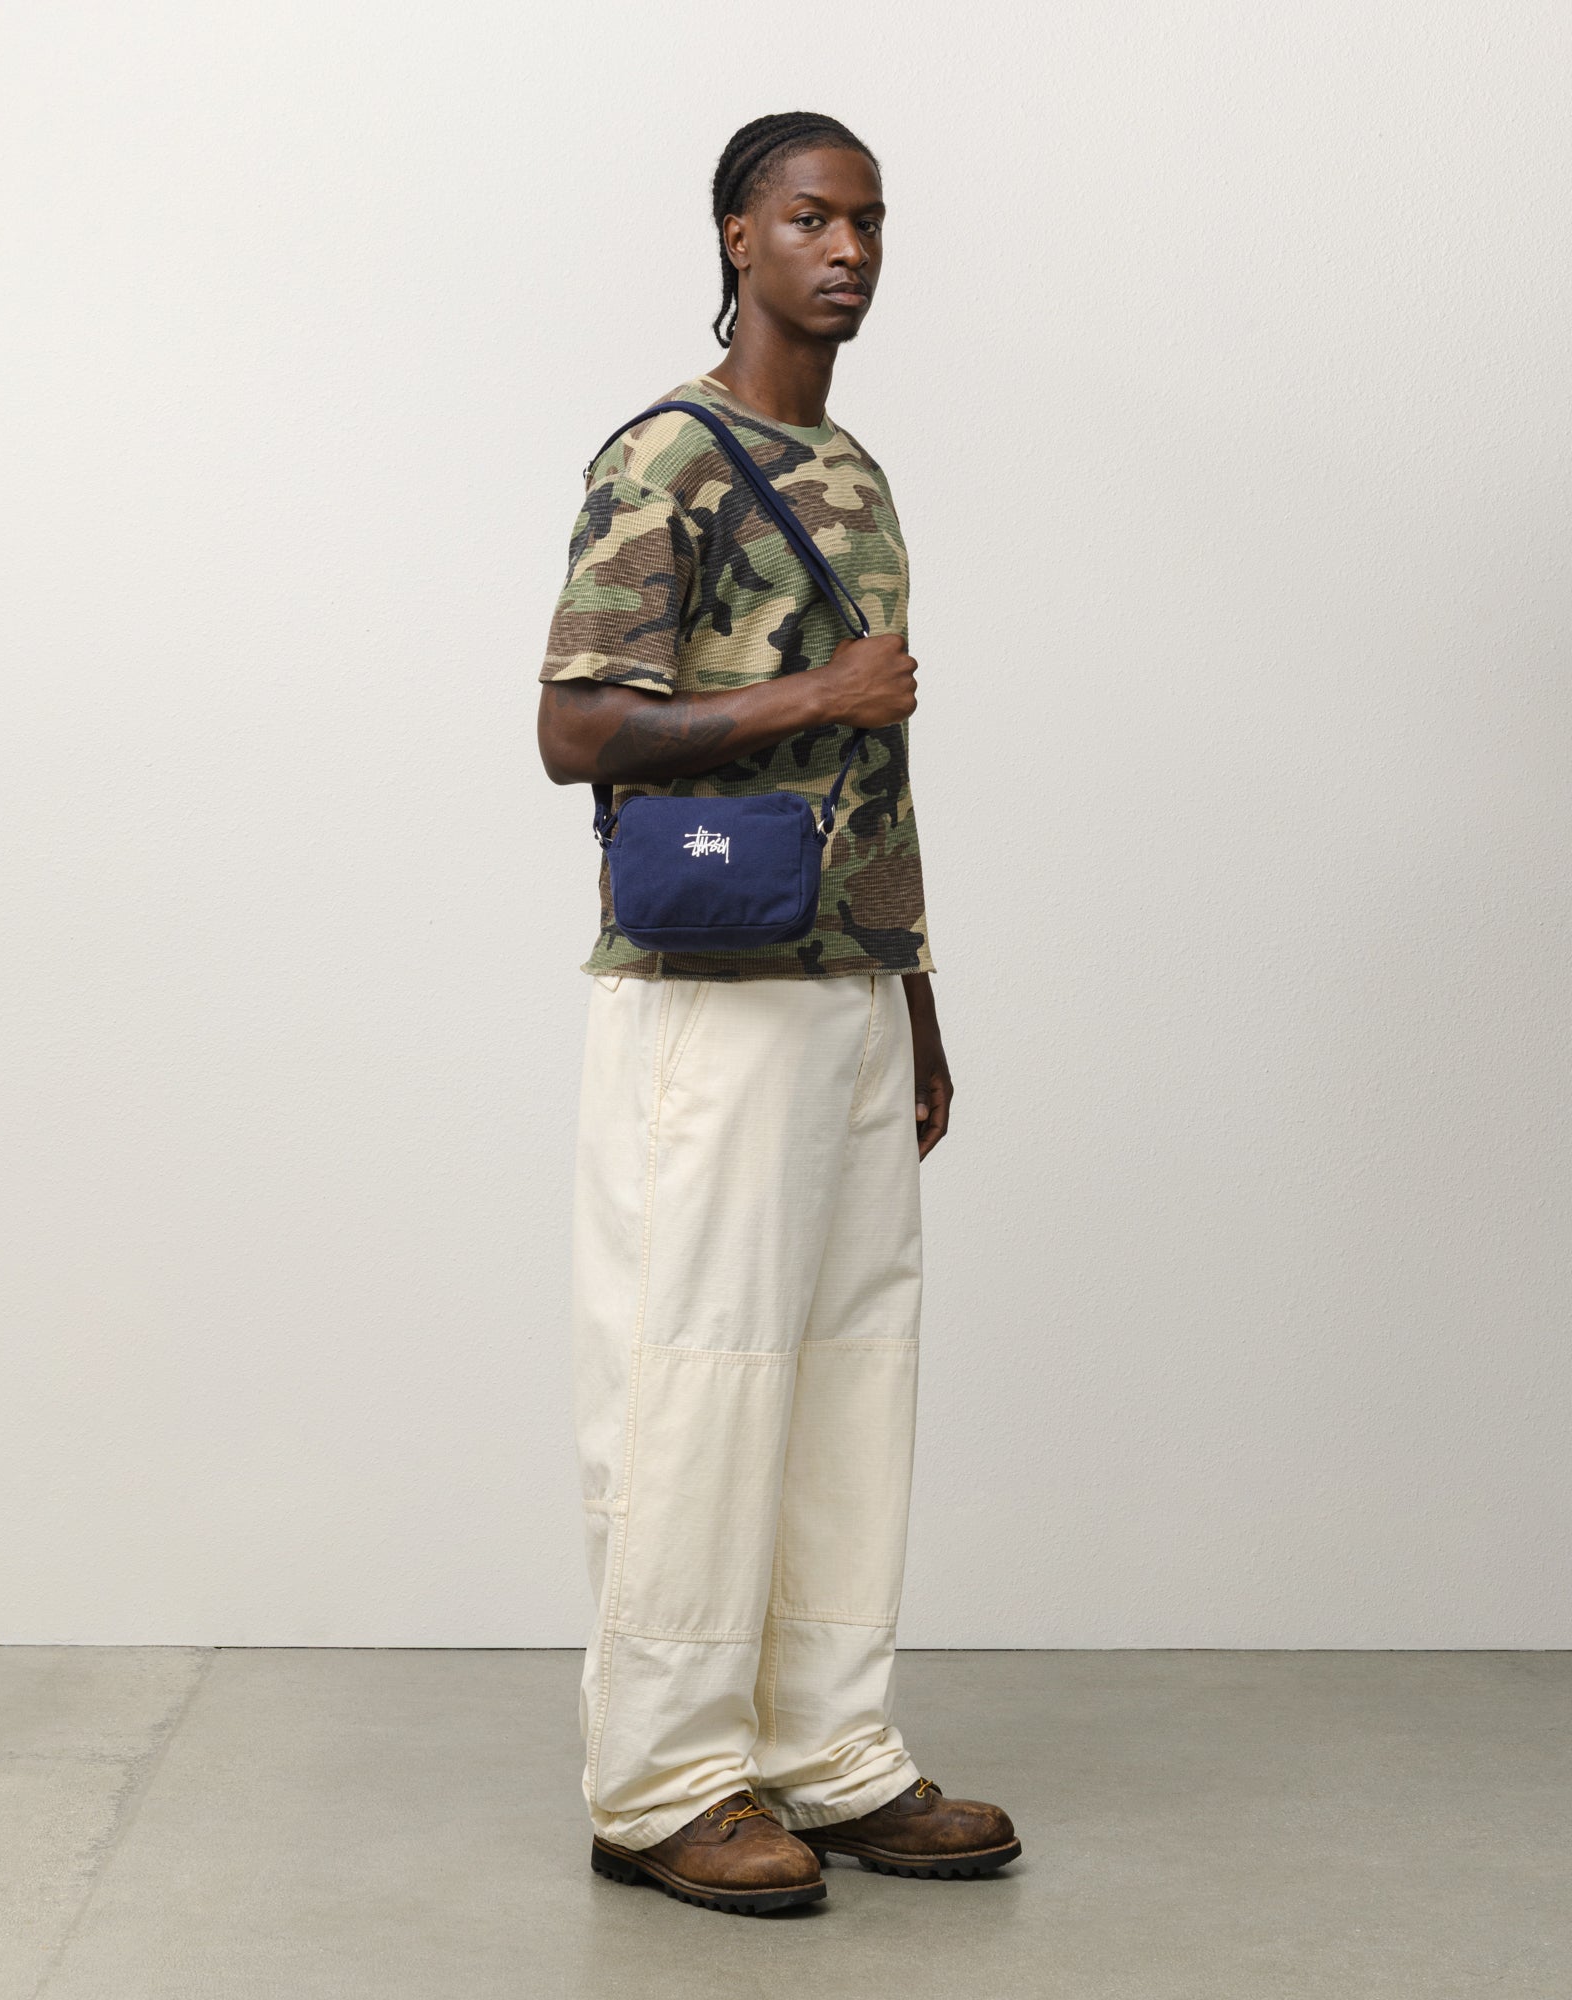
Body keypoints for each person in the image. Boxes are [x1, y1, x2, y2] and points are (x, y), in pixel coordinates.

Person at [536, 111, 1019, 1915]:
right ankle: (662, 1780)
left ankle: (828, 1751)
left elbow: (877, 777)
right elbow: (575, 727)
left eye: (869, 221)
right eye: (814, 217)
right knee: (700, 1375)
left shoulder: (856, 474)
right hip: (711, 993)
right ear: (739, 236)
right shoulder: (665, 456)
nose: (850, 249)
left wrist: (919, 999)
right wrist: (817, 691)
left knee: (844, 1374)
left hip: (847, 987)